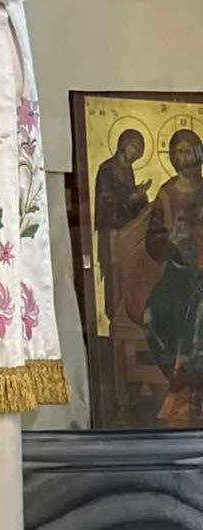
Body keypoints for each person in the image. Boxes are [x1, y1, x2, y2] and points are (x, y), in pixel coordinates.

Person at [143, 129, 203, 424]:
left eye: (188, 151)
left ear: (199, 154)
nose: (184, 157)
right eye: (178, 152)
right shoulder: (166, 193)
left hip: (201, 274)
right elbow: (152, 238)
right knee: (151, 314)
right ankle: (176, 381)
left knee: (194, 316)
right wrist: (171, 241)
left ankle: (189, 390)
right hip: (177, 272)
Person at [94, 128, 152, 318]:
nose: (135, 154)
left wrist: (141, 198)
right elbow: (106, 206)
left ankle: (128, 314)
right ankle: (115, 314)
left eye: (139, 151)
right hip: (112, 233)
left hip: (127, 234)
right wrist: (133, 197)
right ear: (123, 145)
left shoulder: (127, 171)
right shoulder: (106, 170)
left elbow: (129, 204)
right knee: (115, 276)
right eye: (134, 147)